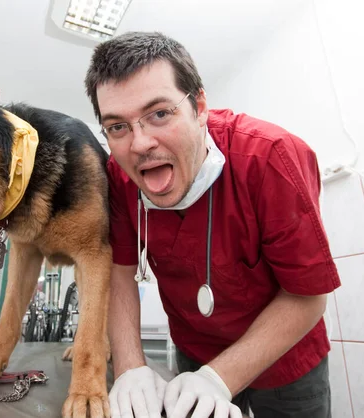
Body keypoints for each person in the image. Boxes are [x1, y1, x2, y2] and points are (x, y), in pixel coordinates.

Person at [83, 31, 341, 418]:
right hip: (195, 353)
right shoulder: (120, 180)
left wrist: (218, 379)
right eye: (117, 126)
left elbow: (308, 296)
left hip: (288, 359)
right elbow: (119, 272)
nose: (139, 145)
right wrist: (130, 367)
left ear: (199, 105)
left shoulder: (270, 158)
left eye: (159, 114)